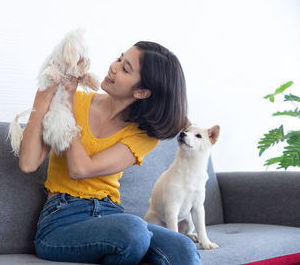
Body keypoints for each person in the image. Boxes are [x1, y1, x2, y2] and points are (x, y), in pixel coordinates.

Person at [19, 41, 200, 265]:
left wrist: (68, 103)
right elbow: (28, 163)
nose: (114, 67)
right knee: (133, 232)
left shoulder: (142, 135)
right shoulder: (76, 101)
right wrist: (44, 98)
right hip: (62, 217)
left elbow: (81, 168)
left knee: (183, 250)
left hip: (111, 214)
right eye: (119, 59)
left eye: (126, 69)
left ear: (142, 92)